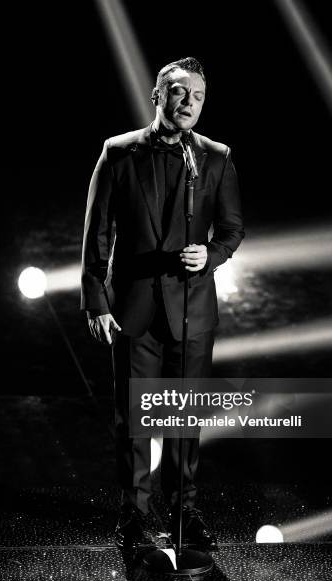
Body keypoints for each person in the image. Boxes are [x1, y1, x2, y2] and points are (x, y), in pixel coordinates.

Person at [81, 57, 244, 551]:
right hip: (133, 309)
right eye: (178, 92)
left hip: (192, 309)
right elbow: (98, 233)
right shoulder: (119, 152)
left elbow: (233, 230)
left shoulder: (215, 157)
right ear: (158, 96)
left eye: (197, 95)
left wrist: (210, 254)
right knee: (135, 420)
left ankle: (185, 510)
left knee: (185, 419)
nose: (189, 102)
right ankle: (134, 514)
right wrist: (96, 301)